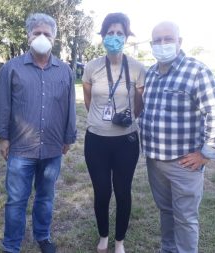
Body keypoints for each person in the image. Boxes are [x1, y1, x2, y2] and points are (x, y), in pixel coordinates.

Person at [0, 13, 76, 253]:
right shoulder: (11, 68)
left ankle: (43, 236)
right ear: (28, 36)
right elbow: (2, 105)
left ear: (55, 38)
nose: (41, 37)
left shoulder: (65, 71)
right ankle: (11, 245)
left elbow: (69, 106)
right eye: (37, 33)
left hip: (52, 147)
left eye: (47, 34)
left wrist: (69, 137)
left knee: (46, 197)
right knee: (16, 200)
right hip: (21, 147)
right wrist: (3, 137)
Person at [140, 21, 215, 253]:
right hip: (155, 161)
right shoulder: (150, 74)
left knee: (186, 219)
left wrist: (205, 153)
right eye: (157, 40)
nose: (163, 44)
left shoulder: (196, 71)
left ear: (180, 42)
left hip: (184, 164)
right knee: (166, 212)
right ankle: (168, 249)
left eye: (168, 39)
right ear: (151, 45)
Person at [82, 12, 146, 253]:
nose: (115, 37)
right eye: (110, 33)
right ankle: (103, 236)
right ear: (103, 36)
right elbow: (89, 101)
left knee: (122, 190)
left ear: (127, 37)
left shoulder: (138, 69)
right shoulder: (91, 67)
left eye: (120, 33)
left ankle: (119, 240)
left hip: (126, 140)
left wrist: (128, 114)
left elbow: (138, 106)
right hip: (96, 139)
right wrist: (102, 120)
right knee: (101, 190)